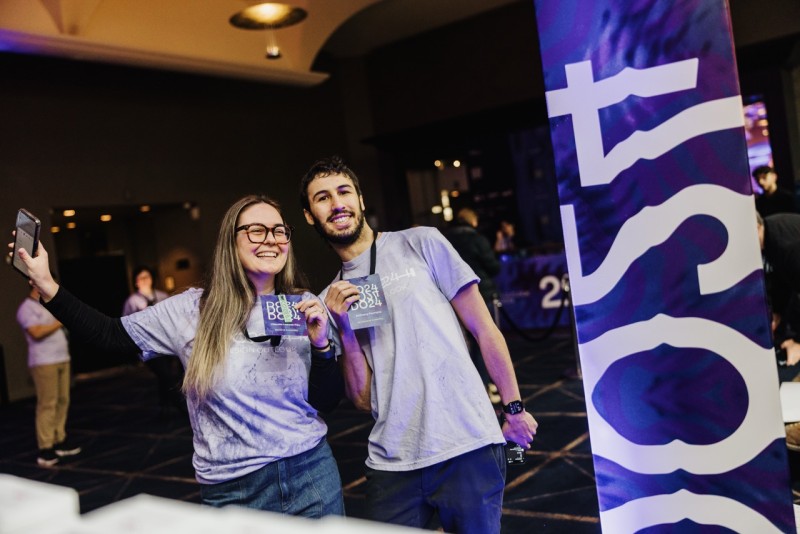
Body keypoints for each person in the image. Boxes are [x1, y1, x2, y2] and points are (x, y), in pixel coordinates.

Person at [12, 195, 346, 517]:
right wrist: (45, 283)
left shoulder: (303, 305)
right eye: (256, 230)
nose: (270, 240)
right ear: (231, 241)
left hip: (312, 474)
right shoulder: (191, 310)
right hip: (236, 488)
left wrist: (320, 344)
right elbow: (109, 335)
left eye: (279, 231)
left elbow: (325, 402)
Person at [300, 156, 538, 533]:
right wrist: (344, 328)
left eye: (344, 192)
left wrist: (513, 409)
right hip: (392, 461)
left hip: (468, 445)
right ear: (310, 216)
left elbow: (485, 329)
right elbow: (362, 399)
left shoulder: (420, 242)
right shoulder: (330, 297)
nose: (337, 204)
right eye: (323, 198)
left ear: (361, 200)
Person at [16, 286, 82, 467]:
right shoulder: (26, 308)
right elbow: (36, 333)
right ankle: (45, 447)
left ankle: (59, 439)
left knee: (63, 400)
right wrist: (59, 321)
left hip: (62, 357)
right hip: (44, 361)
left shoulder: (50, 304)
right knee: (47, 403)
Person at [445, 207, 502, 403]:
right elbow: (493, 267)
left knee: (460, 345)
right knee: (485, 341)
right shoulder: (477, 239)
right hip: (481, 294)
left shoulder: (444, 239)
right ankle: (487, 387)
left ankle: (466, 391)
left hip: (451, 298)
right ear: (473, 221)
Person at [757, 212, 800, 451]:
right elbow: (786, 282)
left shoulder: (785, 244)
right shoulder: (772, 232)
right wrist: (779, 316)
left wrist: (799, 342)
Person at [122, 265, 184, 418]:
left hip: (167, 343)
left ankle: (165, 405)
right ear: (135, 281)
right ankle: (179, 406)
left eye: (147, 277)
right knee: (165, 375)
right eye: (141, 278)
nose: (144, 280)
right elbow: (126, 322)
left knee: (168, 375)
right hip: (148, 346)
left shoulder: (162, 295)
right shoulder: (132, 301)